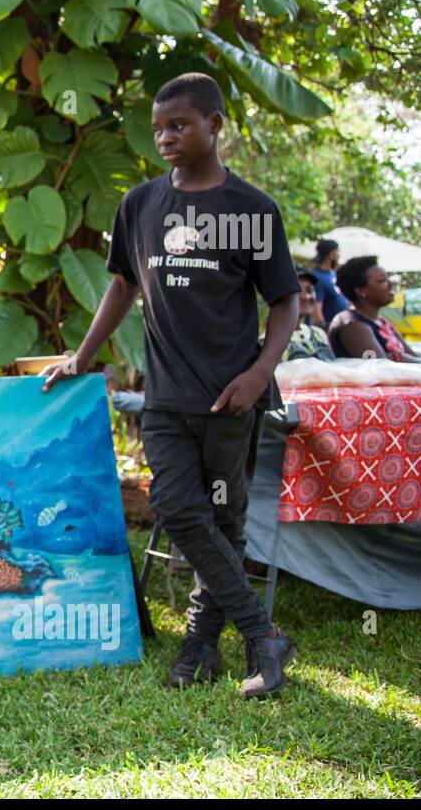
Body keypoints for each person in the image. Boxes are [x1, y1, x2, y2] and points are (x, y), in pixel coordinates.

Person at [41, 72, 301, 699]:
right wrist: (82, 357)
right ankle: (263, 635)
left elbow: (285, 302)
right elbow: (122, 286)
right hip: (166, 399)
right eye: (158, 127)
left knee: (225, 518)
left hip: (230, 399)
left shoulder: (252, 210)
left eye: (179, 125)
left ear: (215, 124)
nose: (165, 137)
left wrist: (259, 373)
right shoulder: (139, 204)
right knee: (184, 511)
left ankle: (200, 645)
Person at [327, 255, 421, 362]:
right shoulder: (352, 324)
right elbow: (379, 366)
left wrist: (400, 358)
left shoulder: (380, 322)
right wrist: (400, 358)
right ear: (361, 291)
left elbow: (413, 357)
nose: (390, 284)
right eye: (382, 280)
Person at [281, 270, 334, 362]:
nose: (306, 296)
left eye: (310, 290)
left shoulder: (318, 334)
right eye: (297, 290)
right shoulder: (269, 341)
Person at [310, 238, 349, 325]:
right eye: (337, 251)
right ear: (332, 254)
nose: (339, 255)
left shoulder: (333, 274)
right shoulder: (317, 278)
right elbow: (315, 314)